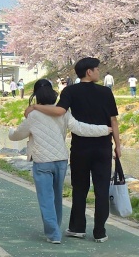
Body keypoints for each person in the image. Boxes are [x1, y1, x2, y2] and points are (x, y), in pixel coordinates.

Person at [25, 57, 121, 243]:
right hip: (103, 147)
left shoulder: (70, 91)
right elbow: (114, 121)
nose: (99, 72)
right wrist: (118, 145)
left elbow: (59, 112)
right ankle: (100, 232)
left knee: (80, 188)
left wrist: (34, 107)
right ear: (89, 72)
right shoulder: (105, 92)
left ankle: (78, 228)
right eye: (97, 69)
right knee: (101, 188)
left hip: (80, 148)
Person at [10, 79, 112, 245]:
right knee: (57, 196)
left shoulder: (33, 114)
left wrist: (10, 133)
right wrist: (104, 130)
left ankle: (53, 233)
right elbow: (80, 128)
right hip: (61, 161)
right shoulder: (63, 113)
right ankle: (55, 227)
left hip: (42, 161)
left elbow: (18, 135)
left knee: (45, 198)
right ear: (53, 94)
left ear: (35, 95)